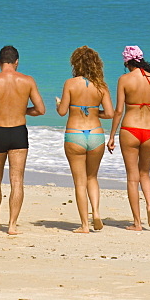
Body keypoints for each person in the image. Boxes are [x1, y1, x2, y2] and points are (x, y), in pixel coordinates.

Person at [0, 45, 45, 235]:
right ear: (17, 62)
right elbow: (40, 109)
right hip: (19, 133)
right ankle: (12, 225)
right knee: (17, 180)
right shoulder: (27, 81)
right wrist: (22, 109)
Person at [106, 45, 150, 231]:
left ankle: (136, 222)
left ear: (127, 62)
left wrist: (112, 136)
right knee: (145, 174)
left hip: (130, 129)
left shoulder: (124, 80)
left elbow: (118, 111)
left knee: (132, 178)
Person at [55, 46, 113, 233]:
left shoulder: (70, 84)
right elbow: (110, 113)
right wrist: (95, 112)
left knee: (80, 182)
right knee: (92, 177)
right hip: (96, 134)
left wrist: (58, 104)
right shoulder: (101, 86)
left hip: (75, 133)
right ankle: (96, 213)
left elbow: (63, 111)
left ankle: (85, 225)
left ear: (75, 63)